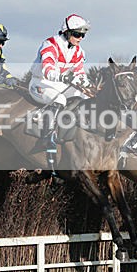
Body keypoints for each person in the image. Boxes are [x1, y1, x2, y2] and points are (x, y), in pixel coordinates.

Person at [28, 14, 93, 168]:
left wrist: (85, 83)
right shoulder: (50, 43)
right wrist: (60, 76)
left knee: (83, 97)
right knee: (60, 100)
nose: (80, 38)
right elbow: (48, 67)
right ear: (67, 32)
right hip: (41, 82)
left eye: (83, 35)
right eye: (77, 34)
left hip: (61, 85)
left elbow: (79, 72)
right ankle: (47, 137)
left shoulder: (79, 51)